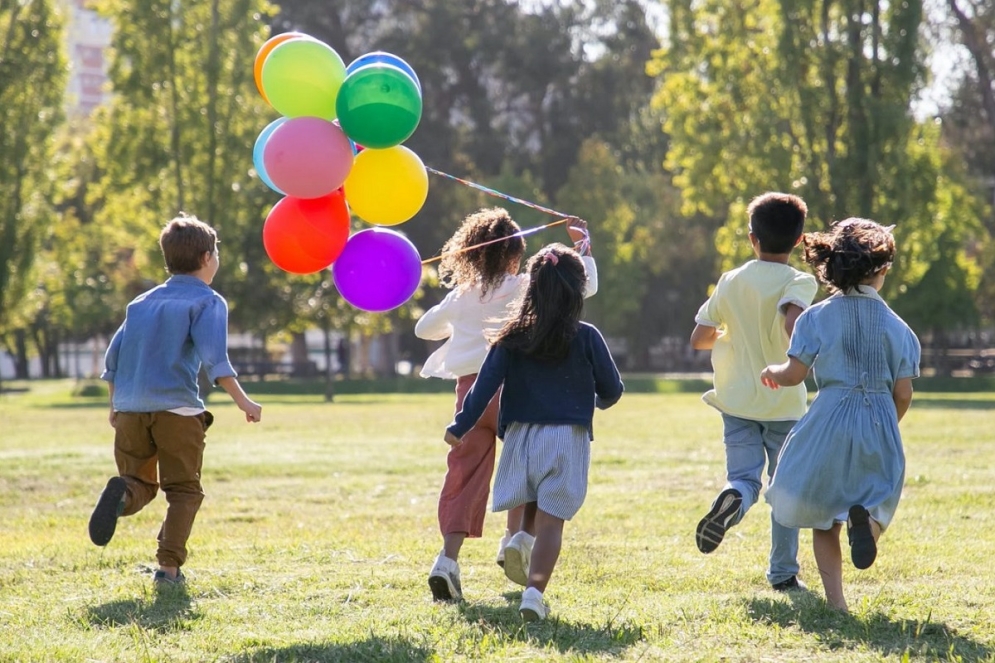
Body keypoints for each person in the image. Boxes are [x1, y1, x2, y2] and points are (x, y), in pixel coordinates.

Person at [415, 207, 599, 602]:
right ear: (515, 253)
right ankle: (514, 540)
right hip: (515, 391)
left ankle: (447, 561)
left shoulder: (461, 296)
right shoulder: (522, 287)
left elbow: (423, 329)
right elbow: (583, 288)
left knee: (463, 476)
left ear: (471, 254)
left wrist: (460, 313)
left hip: (470, 396)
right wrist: (583, 247)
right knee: (528, 467)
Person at [444, 243, 623, 621]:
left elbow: (483, 387)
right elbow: (612, 389)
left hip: (520, 437)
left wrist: (460, 425)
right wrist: (597, 400)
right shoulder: (587, 336)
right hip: (566, 438)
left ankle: (520, 538)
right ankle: (533, 594)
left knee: (529, 496)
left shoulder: (511, 336)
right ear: (577, 291)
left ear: (532, 288)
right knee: (552, 522)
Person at [88, 214, 262, 587]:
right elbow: (216, 361)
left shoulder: (141, 303)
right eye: (216, 252)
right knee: (183, 490)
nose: (217, 259)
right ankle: (167, 570)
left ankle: (121, 496)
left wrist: (114, 406)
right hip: (177, 410)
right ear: (205, 258)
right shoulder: (208, 302)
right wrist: (245, 402)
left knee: (139, 483)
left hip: (131, 409)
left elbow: (112, 359)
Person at [760, 218, 919, 612]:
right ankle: (868, 527)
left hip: (828, 418)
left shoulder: (815, 317)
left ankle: (837, 605)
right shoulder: (900, 330)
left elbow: (794, 374)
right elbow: (903, 392)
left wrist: (772, 372)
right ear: (881, 269)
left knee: (822, 514)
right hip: (879, 418)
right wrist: (886, 426)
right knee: (880, 498)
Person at [689, 192, 818, 591]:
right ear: (798, 241)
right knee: (785, 489)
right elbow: (792, 324)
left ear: (752, 238)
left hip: (737, 400)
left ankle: (733, 498)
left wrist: (734, 336)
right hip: (782, 401)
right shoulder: (800, 280)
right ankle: (782, 573)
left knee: (744, 478)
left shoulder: (731, 280)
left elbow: (699, 338)